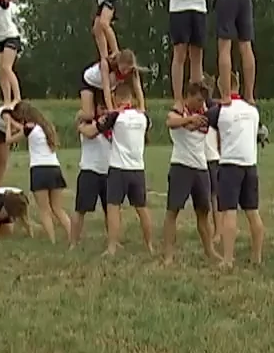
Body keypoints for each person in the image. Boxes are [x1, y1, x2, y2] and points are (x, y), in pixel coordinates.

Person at [162, 80, 218, 266]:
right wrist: (189, 120)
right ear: (189, 96)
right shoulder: (179, 111)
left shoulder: (206, 113)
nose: (201, 103)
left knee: (203, 212)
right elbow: (170, 121)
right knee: (173, 212)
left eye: (204, 100)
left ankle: (209, 250)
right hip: (181, 166)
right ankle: (169, 256)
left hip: (201, 168)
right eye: (198, 99)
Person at [97, 83, 155, 256]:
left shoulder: (116, 116)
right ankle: (149, 245)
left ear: (117, 98)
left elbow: (100, 127)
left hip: (118, 168)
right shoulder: (143, 117)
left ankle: (112, 246)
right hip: (137, 168)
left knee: (113, 207)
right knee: (142, 208)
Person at [208, 89, 264, 268]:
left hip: (230, 165)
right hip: (250, 164)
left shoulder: (220, 111)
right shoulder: (253, 110)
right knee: (253, 213)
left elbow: (203, 120)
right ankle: (257, 256)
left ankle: (228, 259)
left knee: (229, 213)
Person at [12, 102, 71, 242]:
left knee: (44, 210)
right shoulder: (46, 127)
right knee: (58, 208)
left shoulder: (29, 128)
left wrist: (9, 123)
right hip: (54, 168)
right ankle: (72, 236)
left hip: (39, 170)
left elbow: (9, 139)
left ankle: (52, 241)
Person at [160, 0, 210, 98]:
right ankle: (178, 98)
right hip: (179, 9)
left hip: (199, 9)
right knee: (179, 55)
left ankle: (196, 98)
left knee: (197, 57)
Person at [69, 112, 110, 248]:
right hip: (89, 170)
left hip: (108, 171)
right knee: (80, 209)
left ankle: (113, 241)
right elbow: (90, 133)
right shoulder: (85, 125)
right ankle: (73, 243)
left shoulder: (111, 125)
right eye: (101, 107)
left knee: (110, 210)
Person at [81, 51, 144, 126]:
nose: (126, 72)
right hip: (89, 82)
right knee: (90, 115)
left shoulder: (132, 71)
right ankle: (79, 118)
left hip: (103, 87)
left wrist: (142, 107)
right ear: (119, 63)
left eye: (128, 69)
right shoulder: (106, 64)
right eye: (124, 69)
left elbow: (138, 89)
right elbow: (106, 88)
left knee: (102, 114)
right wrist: (111, 110)